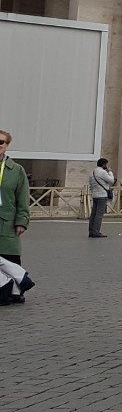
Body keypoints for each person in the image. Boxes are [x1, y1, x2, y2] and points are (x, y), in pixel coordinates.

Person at [0, 129, 29, 303]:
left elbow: (23, 197)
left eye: (1, 142)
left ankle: (15, 290)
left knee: (10, 257)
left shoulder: (16, 170)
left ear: (7, 145)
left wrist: (22, 221)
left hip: (7, 221)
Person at [88, 158, 115, 239]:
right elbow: (111, 181)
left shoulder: (92, 172)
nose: (107, 166)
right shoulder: (102, 172)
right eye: (106, 164)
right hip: (102, 195)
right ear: (104, 164)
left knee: (93, 214)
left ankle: (91, 231)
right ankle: (96, 232)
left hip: (95, 195)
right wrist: (110, 172)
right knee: (99, 215)